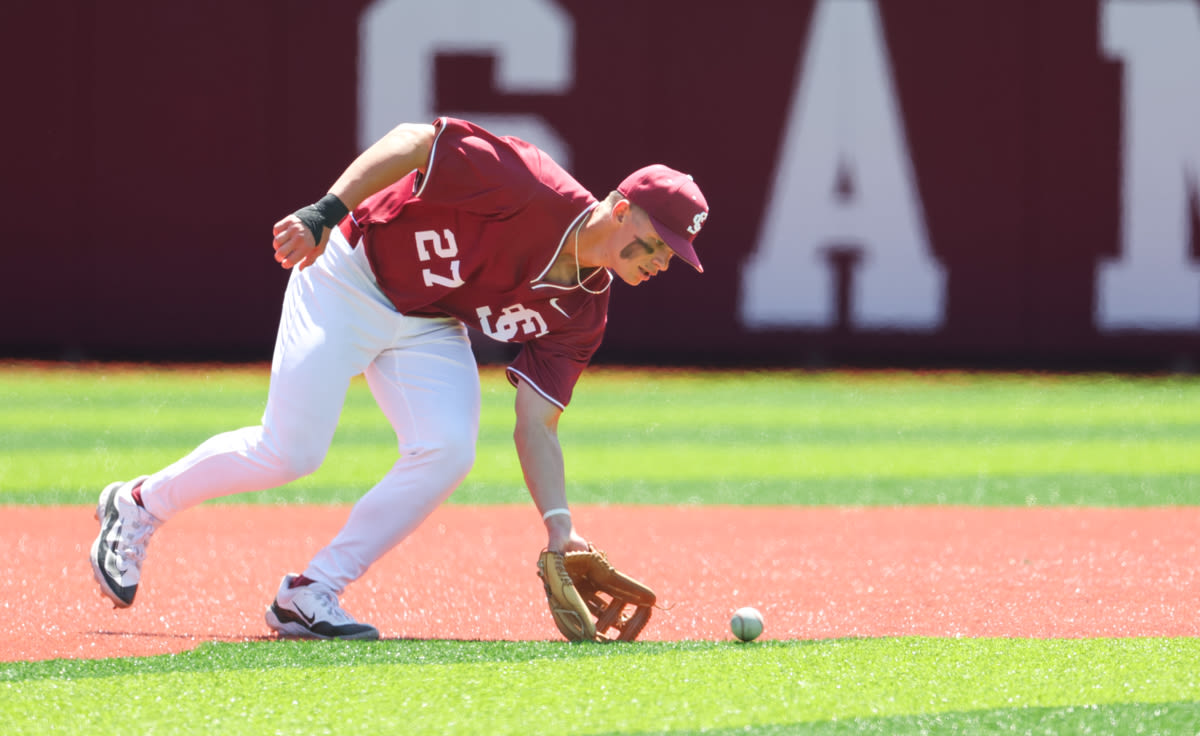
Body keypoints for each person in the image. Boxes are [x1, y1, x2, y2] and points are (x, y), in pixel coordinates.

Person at [89, 116, 709, 640]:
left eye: (672, 256)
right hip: (348, 274)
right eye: (658, 243)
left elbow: (537, 423)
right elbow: (416, 141)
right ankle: (138, 504)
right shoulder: (532, 185)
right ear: (622, 209)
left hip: (426, 321)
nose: (660, 262)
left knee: (447, 450)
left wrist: (559, 528)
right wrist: (325, 211)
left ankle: (310, 593)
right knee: (290, 451)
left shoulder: (584, 310)